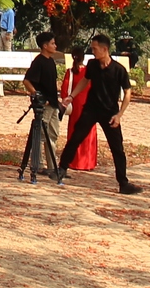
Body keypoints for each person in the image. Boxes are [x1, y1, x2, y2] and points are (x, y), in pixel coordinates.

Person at [59, 34, 139, 193]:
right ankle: (61, 169)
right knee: (75, 138)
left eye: (95, 48)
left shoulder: (119, 70)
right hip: (91, 109)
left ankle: (123, 183)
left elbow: (128, 92)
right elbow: (85, 81)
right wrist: (71, 96)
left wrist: (119, 115)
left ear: (105, 49)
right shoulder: (92, 64)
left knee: (117, 148)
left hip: (110, 113)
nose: (93, 51)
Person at [18, 30, 65, 183]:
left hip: (53, 103)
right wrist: (36, 95)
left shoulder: (51, 61)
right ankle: (36, 164)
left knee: (53, 134)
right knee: (39, 135)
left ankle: (53, 167)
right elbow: (27, 81)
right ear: (45, 46)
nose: (55, 45)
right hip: (44, 104)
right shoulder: (38, 61)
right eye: (52, 43)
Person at [61, 37, 99, 172]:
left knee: (74, 133)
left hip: (75, 104)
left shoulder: (70, 72)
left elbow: (64, 90)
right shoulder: (89, 71)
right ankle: (87, 162)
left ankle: (73, 161)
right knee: (89, 133)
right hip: (89, 104)